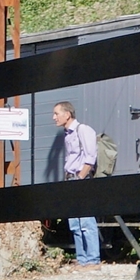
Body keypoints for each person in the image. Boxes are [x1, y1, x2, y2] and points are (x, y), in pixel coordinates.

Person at [52, 101, 101, 266]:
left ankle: (93, 260)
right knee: (74, 223)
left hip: (80, 180)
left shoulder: (83, 130)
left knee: (86, 221)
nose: (54, 117)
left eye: (56, 113)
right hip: (70, 179)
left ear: (67, 114)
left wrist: (80, 178)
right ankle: (82, 260)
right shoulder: (67, 134)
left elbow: (90, 157)